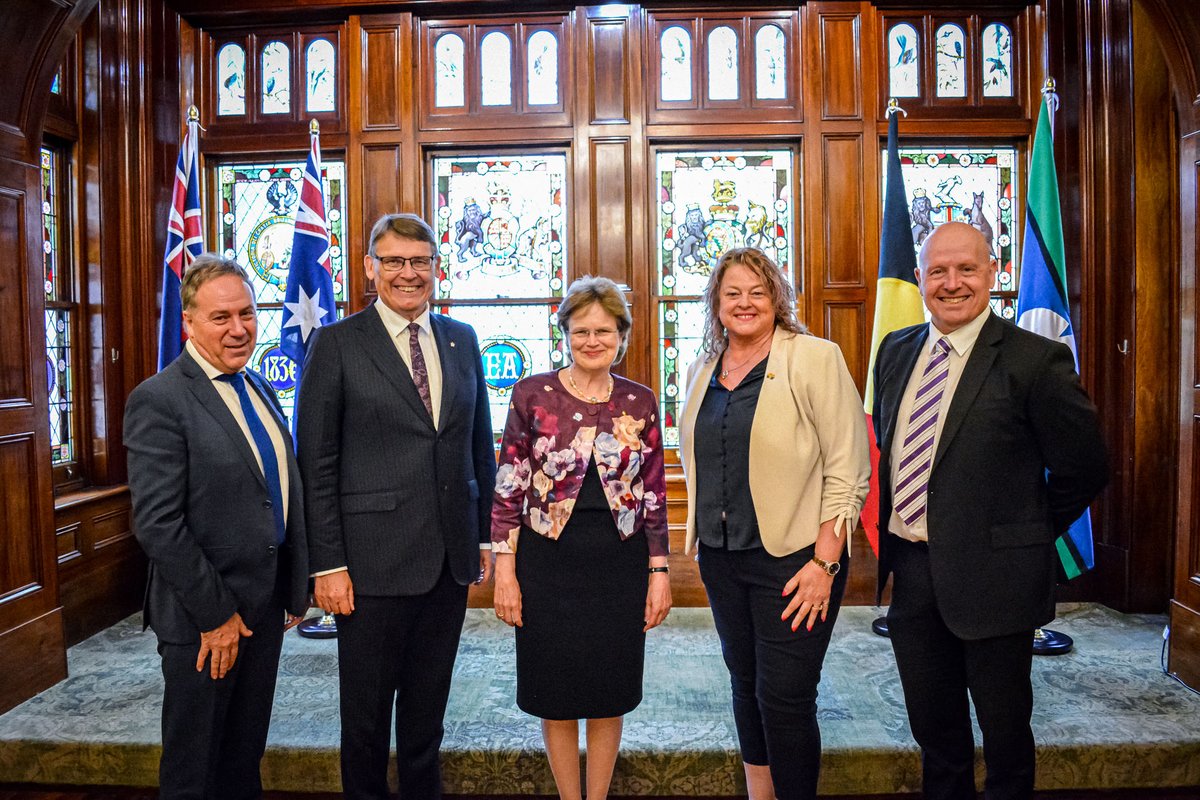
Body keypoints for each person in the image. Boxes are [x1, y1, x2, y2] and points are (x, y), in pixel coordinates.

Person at [873, 221, 1108, 800]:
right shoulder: (896, 351)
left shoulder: (1034, 360)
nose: (952, 283)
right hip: (914, 572)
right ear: (921, 279)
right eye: (938, 271)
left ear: (993, 272)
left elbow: (1085, 465)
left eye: (966, 269)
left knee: (1005, 735)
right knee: (934, 731)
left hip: (998, 581)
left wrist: (1026, 531)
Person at [295, 213, 496, 800]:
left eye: (420, 262)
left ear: (436, 268)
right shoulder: (336, 344)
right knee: (364, 721)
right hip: (368, 566)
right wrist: (326, 564)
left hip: (449, 560)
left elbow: (476, 444)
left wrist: (481, 537)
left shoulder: (462, 339)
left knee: (427, 714)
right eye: (394, 261)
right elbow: (318, 463)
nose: (408, 274)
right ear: (369, 268)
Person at [678, 247, 870, 800]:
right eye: (732, 292)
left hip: (796, 562)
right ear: (716, 303)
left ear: (778, 300)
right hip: (720, 554)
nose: (745, 303)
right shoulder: (701, 368)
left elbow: (847, 468)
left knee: (784, 695)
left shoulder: (813, 357)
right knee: (744, 684)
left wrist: (825, 564)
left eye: (758, 292)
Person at [124, 254, 310, 800]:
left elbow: (276, 487)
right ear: (188, 322)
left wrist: (292, 583)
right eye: (220, 317)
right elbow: (158, 524)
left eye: (247, 314)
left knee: (242, 756)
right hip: (204, 618)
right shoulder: (159, 399)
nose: (238, 329)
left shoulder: (258, 386)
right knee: (194, 767)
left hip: (262, 605)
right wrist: (217, 615)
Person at [491, 276, 672, 800]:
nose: (592, 341)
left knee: (610, 687)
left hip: (619, 561)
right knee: (556, 690)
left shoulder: (640, 401)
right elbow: (509, 486)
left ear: (622, 335)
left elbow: (655, 496)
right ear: (565, 334)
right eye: (580, 331)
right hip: (548, 562)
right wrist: (505, 569)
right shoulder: (532, 395)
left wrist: (659, 575)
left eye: (604, 331)